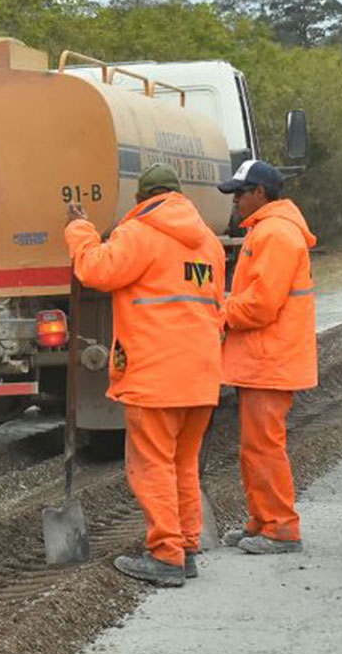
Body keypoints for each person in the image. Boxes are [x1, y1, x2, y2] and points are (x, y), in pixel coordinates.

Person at [64, 163, 226, 586]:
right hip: (202, 375)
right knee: (183, 464)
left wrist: (79, 230)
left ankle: (166, 556)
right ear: (179, 196)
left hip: (156, 377)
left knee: (151, 467)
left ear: (142, 198)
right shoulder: (208, 242)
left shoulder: (139, 233)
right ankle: (186, 547)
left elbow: (96, 271)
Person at [215, 160, 317, 555]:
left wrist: (221, 313)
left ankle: (282, 528)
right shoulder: (269, 229)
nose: (236, 200)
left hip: (270, 360)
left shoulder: (275, 234)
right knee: (254, 446)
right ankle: (262, 521)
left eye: (240, 193)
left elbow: (261, 304)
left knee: (264, 447)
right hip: (264, 359)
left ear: (260, 193)